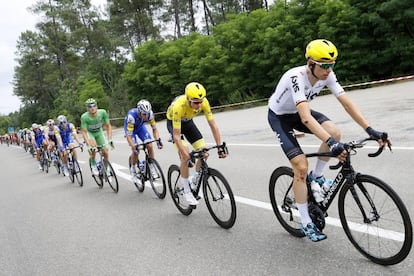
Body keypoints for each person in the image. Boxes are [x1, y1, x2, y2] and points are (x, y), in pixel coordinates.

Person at [267, 39, 388, 242]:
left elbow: (346, 103)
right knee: (300, 166)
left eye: (332, 64)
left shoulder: (327, 75)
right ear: (310, 63)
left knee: (334, 131)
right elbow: (306, 118)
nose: (329, 69)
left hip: (298, 112)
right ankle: (306, 222)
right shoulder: (296, 77)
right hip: (280, 117)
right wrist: (330, 143)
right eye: (324, 65)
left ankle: (318, 175)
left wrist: (370, 129)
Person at [166, 82, 227, 205]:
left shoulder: (204, 102)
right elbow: (177, 136)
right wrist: (186, 154)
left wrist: (219, 146)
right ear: (188, 99)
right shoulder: (179, 106)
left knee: (204, 153)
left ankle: (195, 179)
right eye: (196, 102)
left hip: (188, 124)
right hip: (175, 125)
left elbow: (213, 125)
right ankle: (187, 191)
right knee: (185, 156)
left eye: (201, 101)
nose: (199, 105)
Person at [124, 99, 163, 183]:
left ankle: (151, 166)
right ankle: (133, 170)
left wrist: (158, 140)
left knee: (150, 145)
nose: (146, 116)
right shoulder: (132, 116)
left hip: (140, 128)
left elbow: (154, 129)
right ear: (139, 111)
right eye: (144, 114)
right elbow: (129, 136)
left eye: (147, 114)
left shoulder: (150, 114)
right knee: (136, 151)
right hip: (131, 131)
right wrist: (133, 147)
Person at [80, 98, 113, 176]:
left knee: (105, 152)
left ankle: (106, 167)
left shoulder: (102, 113)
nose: (92, 108)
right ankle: (93, 163)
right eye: (89, 106)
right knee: (93, 148)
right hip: (90, 133)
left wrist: (110, 139)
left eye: (94, 106)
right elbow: (84, 132)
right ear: (87, 108)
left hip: (99, 132)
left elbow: (108, 126)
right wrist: (88, 145)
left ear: (97, 106)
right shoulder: (84, 117)